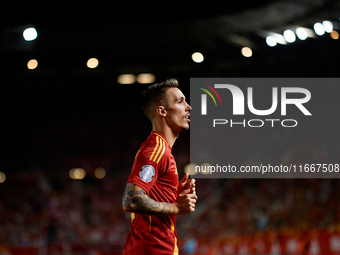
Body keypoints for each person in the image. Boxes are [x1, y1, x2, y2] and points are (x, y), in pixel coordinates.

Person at [122, 78, 197, 255]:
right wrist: (176, 207)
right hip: (153, 249)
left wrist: (173, 195)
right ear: (162, 111)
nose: (188, 107)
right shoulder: (156, 150)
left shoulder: (159, 149)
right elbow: (131, 199)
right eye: (180, 101)